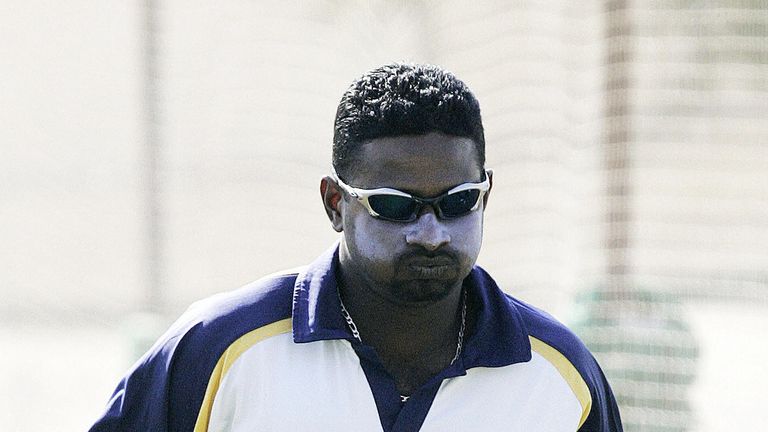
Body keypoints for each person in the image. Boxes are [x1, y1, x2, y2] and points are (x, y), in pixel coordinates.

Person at [90, 63, 623, 431]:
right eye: (395, 205)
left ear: (486, 194)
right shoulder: (221, 348)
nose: (431, 233)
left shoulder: (559, 376)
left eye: (458, 202)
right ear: (334, 204)